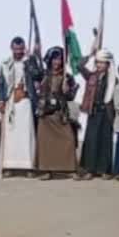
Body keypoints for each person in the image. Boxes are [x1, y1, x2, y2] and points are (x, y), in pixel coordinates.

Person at [0, 36, 43, 176]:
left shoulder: (29, 61)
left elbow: (38, 75)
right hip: (10, 101)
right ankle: (9, 166)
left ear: (24, 48)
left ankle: (28, 167)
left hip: (26, 101)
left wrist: (31, 59)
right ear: (11, 48)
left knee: (26, 134)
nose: (18, 52)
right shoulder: (5, 63)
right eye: (16, 49)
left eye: (21, 49)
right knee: (11, 135)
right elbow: (1, 84)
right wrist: (1, 100)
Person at [34, 46, 79, 179]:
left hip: (60, 113)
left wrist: (67, 90)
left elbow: (71, 97)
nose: (57, 62)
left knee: (68, 139)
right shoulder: (42, 74)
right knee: (46, 143)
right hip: (45, 113)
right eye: (54, 59)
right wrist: (34, 54)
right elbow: (32, 77)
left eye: (59, 59)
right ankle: (46, 170)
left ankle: (69, 169)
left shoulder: (67, 77)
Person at [77, 50, 115, 179]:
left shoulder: (113, 79)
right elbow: (79, 66)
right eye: (97, 62)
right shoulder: (91, 76)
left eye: (102, 62)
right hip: (94, 112)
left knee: (105, 141)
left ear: (108, 64)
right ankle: (89, 170)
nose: (99, 65)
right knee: (91, 140)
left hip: (107, 113)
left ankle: (104, 170)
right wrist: (91, 54)